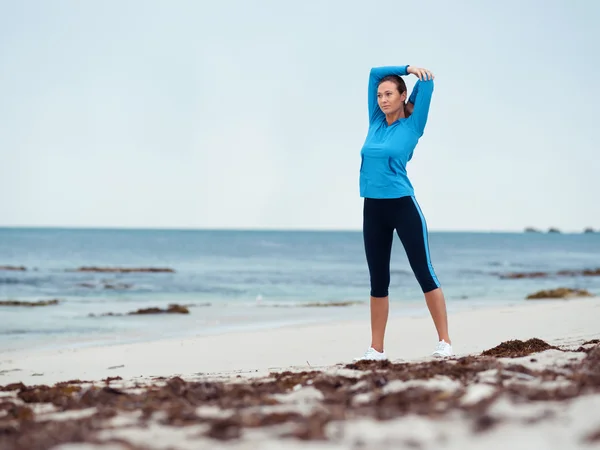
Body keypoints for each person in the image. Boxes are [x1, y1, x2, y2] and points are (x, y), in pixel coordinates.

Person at [354, 64, 452, 361]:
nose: (382, 99)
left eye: (388, 94)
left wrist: (418, 75)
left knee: (424, 273)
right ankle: (376, 349)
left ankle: (445, 342)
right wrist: (405, 67)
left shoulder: (413, 125)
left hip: (402, 205)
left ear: (402, 96)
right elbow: (373, 72)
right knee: (378, 280)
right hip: (372, 208)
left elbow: (428, 85)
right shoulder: (375, 121)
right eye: (380, 95)